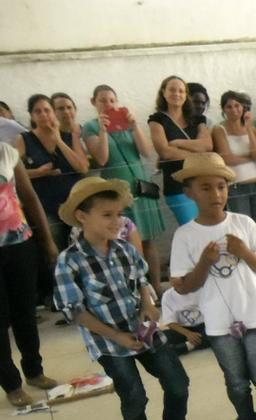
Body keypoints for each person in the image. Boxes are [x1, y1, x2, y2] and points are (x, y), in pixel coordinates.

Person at [54, 177, 206, 420]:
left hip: (143, 331)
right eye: (107, 215)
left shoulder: (124, 249)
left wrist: (148, 305)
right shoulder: (69, 261)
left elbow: (142, 282)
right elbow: (76, 312)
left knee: (177, 382)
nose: (117, 221)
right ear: (82, 217)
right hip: (109, 343)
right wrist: (117, 337)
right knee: (134, 395)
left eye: (119, 214)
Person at [169, 153, 256, 420]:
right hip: (219, 323)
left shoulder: (243, 223)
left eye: (221, 186)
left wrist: (243, 251)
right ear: (189, 192)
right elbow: (185, 286)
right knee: (236, 383)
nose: (216, 194)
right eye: (205, 188)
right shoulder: (185, 235)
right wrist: (204, 264)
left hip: (255, 317)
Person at [84, 85, 166, 295]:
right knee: (121, 242)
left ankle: (156, 287)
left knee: (148, 240)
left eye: (112, 100)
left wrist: (135, 126)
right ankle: (133, 290)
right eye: (103, 100)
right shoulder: (91, 127)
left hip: (140, 188)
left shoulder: (126, 123)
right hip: (115, 193)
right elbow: (101, 159)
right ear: (94, 103)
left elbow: (147, 152)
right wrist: (103, 131)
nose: (108, 105)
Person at [0, 142, 59, 407]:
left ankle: (34, 371)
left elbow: (29, 196)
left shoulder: (7, 152)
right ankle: (11, 384)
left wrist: (47, 241)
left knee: (25, 311)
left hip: (19, 243)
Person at [15, 94, 89, 252]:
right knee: (55, 245)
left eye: (47, 110)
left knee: (81, 245)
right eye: (38, 111)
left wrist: (59, 141)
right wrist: (39, 172)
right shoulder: (24, 139)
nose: (43, 115)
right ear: (32, 115)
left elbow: (82, 167)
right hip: (45, 205)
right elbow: (14, 172)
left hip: (74, 202)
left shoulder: (68, 136)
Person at [148, 75, 213, 225]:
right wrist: (198, 154)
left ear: (186, 95)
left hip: (202, 184)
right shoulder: (157, 120)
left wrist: (177, 143)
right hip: (176, 187)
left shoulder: (197, 119)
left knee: (208, 229)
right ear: (163, 92)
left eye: (181, 91)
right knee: (192, 228)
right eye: (172, 89)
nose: (176, 94)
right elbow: (165, 152)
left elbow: (207, 145)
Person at [212, 90, 256, 238]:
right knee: (243, 227)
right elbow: (227, 159)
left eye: (237, 106)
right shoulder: (219, 130)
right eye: (229, 107)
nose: (234, 110)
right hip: (236, 185)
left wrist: (249, 128)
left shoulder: (251, 127)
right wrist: (249, 157)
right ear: (223, 110)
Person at [159, 285, 207, 355]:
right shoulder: (167, 295)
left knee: (214, 335)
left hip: (204, 326)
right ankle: (194, 343)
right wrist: (188, 333)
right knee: (162, 336)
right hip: (182, 329)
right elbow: (170, 322)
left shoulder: (202, 290)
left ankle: (187, 346)